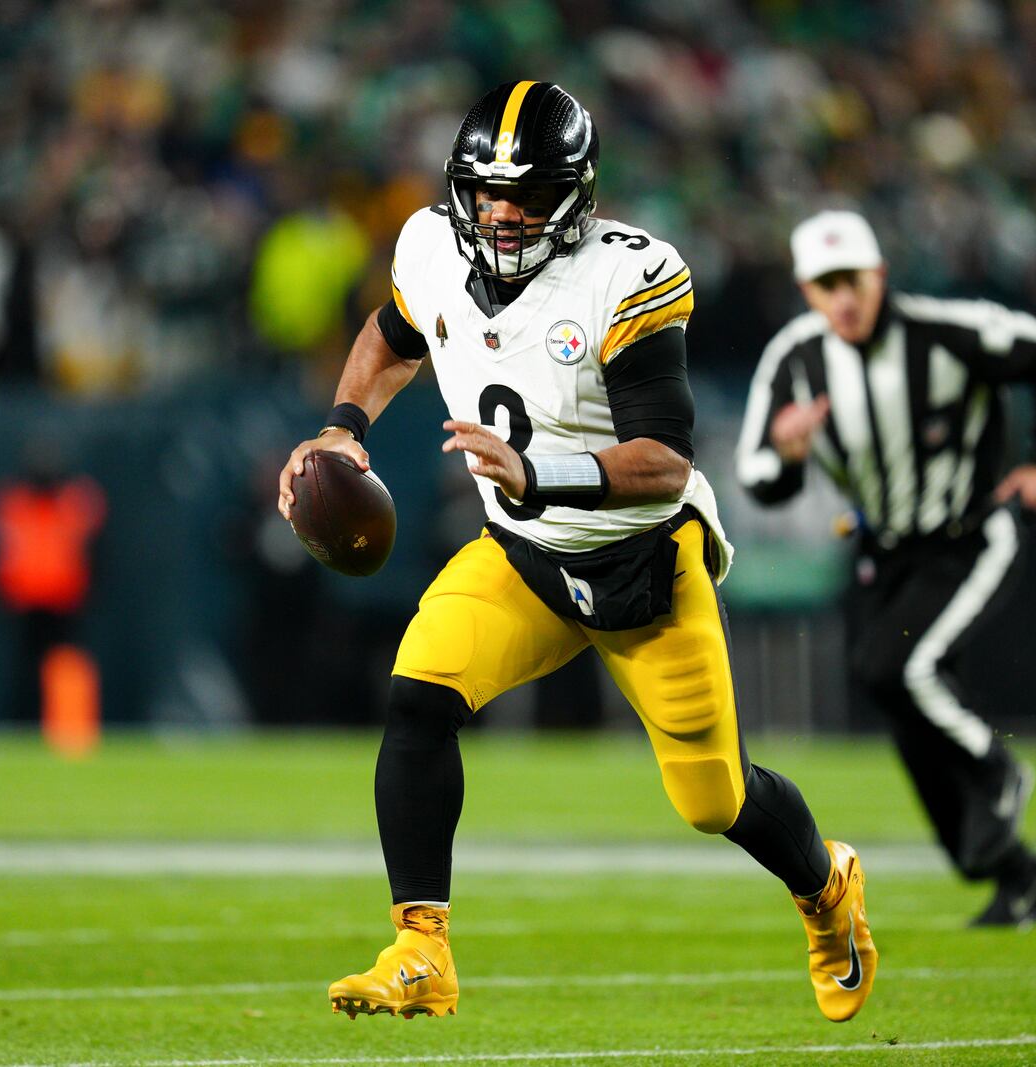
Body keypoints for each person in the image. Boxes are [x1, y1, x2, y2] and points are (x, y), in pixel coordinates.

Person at [278, 82, 876, 1023]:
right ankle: (421, 945)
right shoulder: (433, 244)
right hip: (522, 555)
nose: (501, 215)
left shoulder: (626, 276)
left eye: (525, 196)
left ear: (576, 195)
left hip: (641, 563)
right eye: (486, 193)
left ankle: (826, 889)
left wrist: (535, 471)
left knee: (715, 800)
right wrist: (344, 426)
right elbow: (393, 337)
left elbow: (664, 462)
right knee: (418, 694)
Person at [736, 210, 1036, 928]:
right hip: (885, 553)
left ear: (881, 278)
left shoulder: (945, 331)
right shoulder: (796, 359)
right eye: (825, 284)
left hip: (969, 537)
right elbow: (757, 471)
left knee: (896, 671)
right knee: (897, 704)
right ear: (805, 289)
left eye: (852, 280)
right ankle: (1017, 874)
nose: (843, 298)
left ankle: (997, 768)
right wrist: (791, 454)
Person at [0, 440, 106, 724]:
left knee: (66, 666)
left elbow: (92, 550)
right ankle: (23, 725)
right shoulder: (13, 502)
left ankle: (69, 726)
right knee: (25, 671)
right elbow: (0, 551)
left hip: (66, 601)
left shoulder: (76, 502)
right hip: (25, 601)